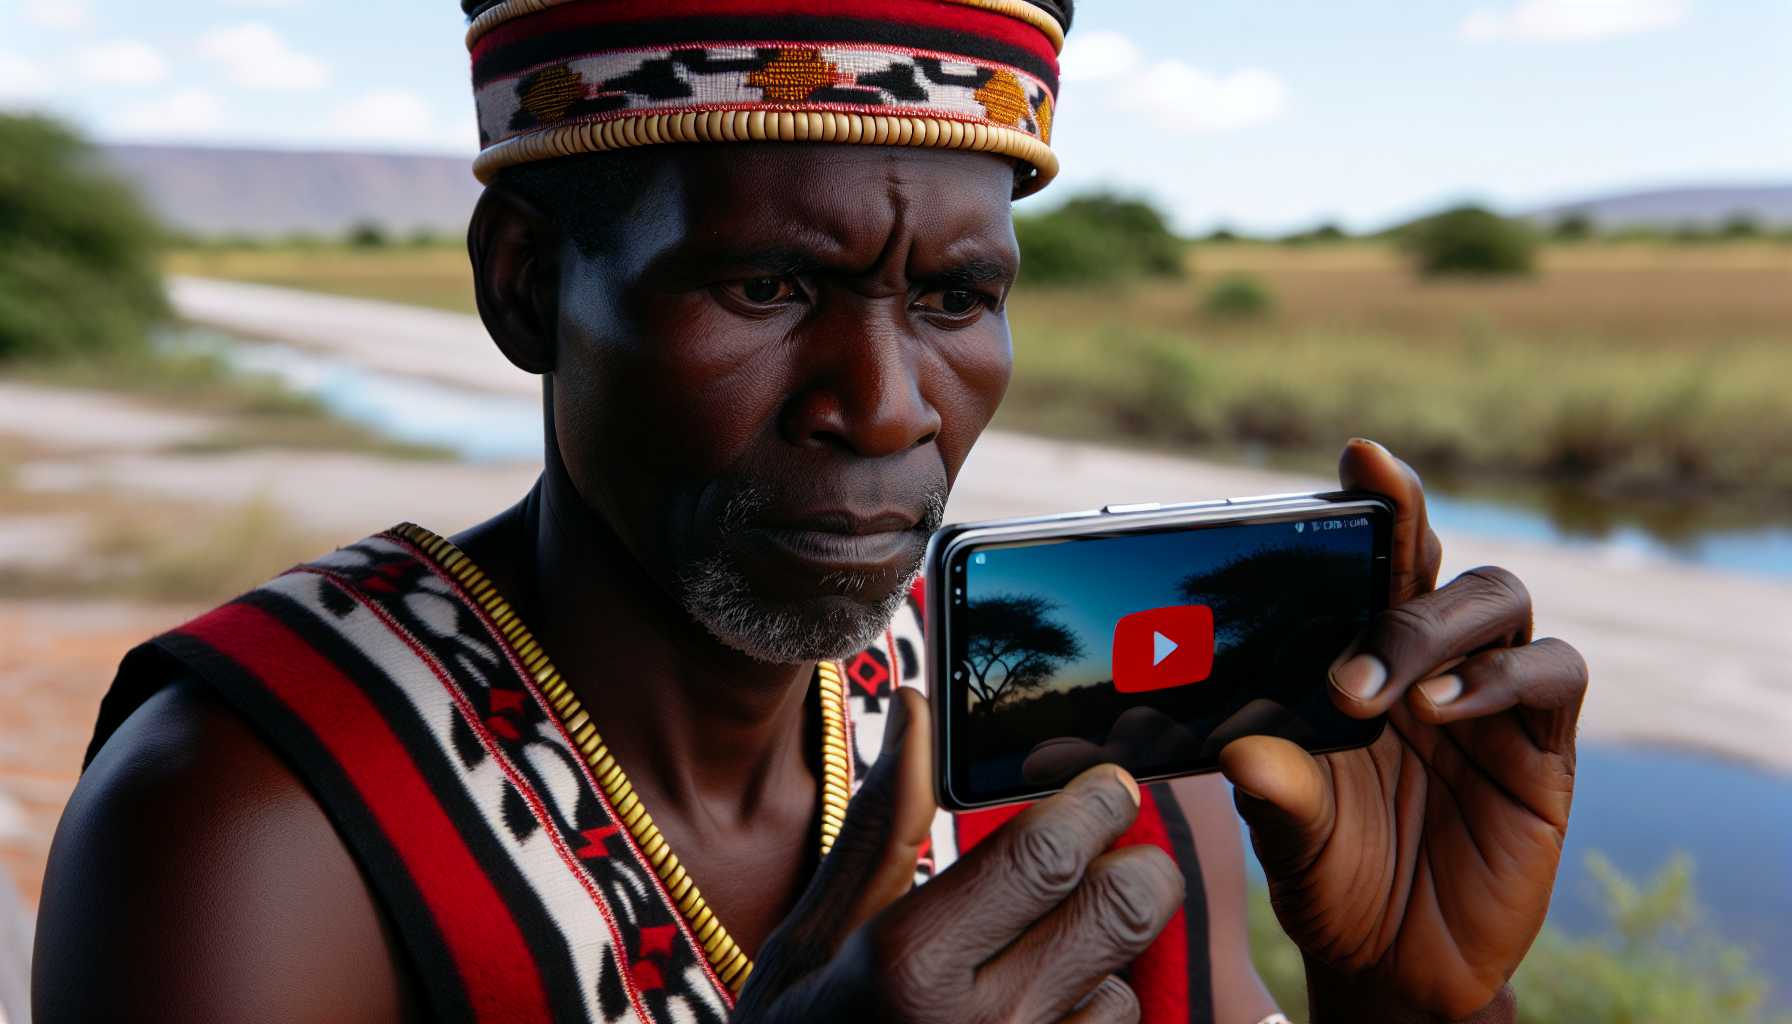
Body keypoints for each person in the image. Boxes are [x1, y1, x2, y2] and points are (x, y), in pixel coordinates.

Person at [34, 2, 1589, 1021]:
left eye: (957, 296)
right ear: (525, 283)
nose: (890, 402)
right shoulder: (261, 819)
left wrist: (1413, 1002)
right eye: (769, 284)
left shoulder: (1089, 766)